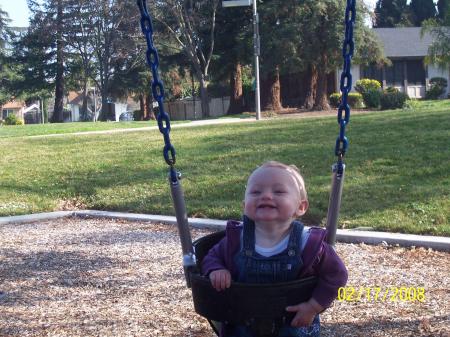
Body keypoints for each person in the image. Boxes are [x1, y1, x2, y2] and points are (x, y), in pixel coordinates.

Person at [202, 161, 348, 337]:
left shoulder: (308, 243)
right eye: (256, 192)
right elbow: (211, 256)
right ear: (244, 205)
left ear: (301, 207)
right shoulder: (236, 239)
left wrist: (313, 306)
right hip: (242, 324)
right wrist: (216, 269)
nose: (266, 196)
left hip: (293, 324)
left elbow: (336, 275)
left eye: (278, 191)